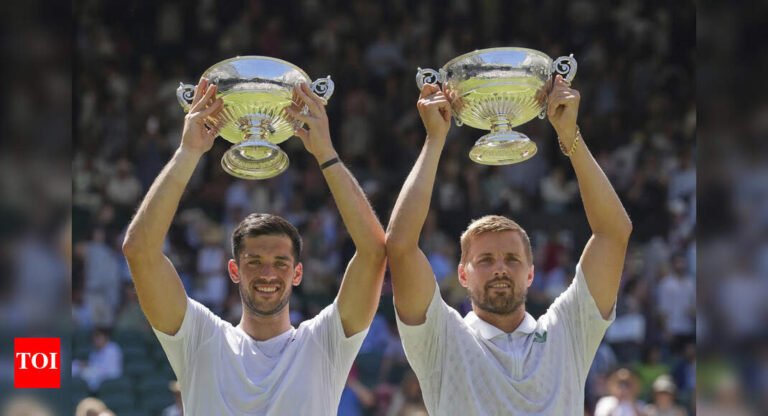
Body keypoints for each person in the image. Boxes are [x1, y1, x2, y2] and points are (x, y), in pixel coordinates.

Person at [122, 79, 386, 414]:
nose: (267, 273)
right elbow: (139, 251)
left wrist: (326, 153)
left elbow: (374, 253)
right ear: (233, 270)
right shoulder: (201, 339)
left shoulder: (324, 343)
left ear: (298, 273)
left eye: (280, 262)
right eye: (254, 261)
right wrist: (188, 153)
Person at [384, 75, 632, 414]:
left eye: (512, 259)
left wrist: (569, 135)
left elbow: (614, 233)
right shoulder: (442, 339)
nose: (500, 267)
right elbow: (400, 245)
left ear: (531, 274)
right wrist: (434, 140)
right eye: (485, 259)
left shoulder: (567, 332)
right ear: (462, 275)